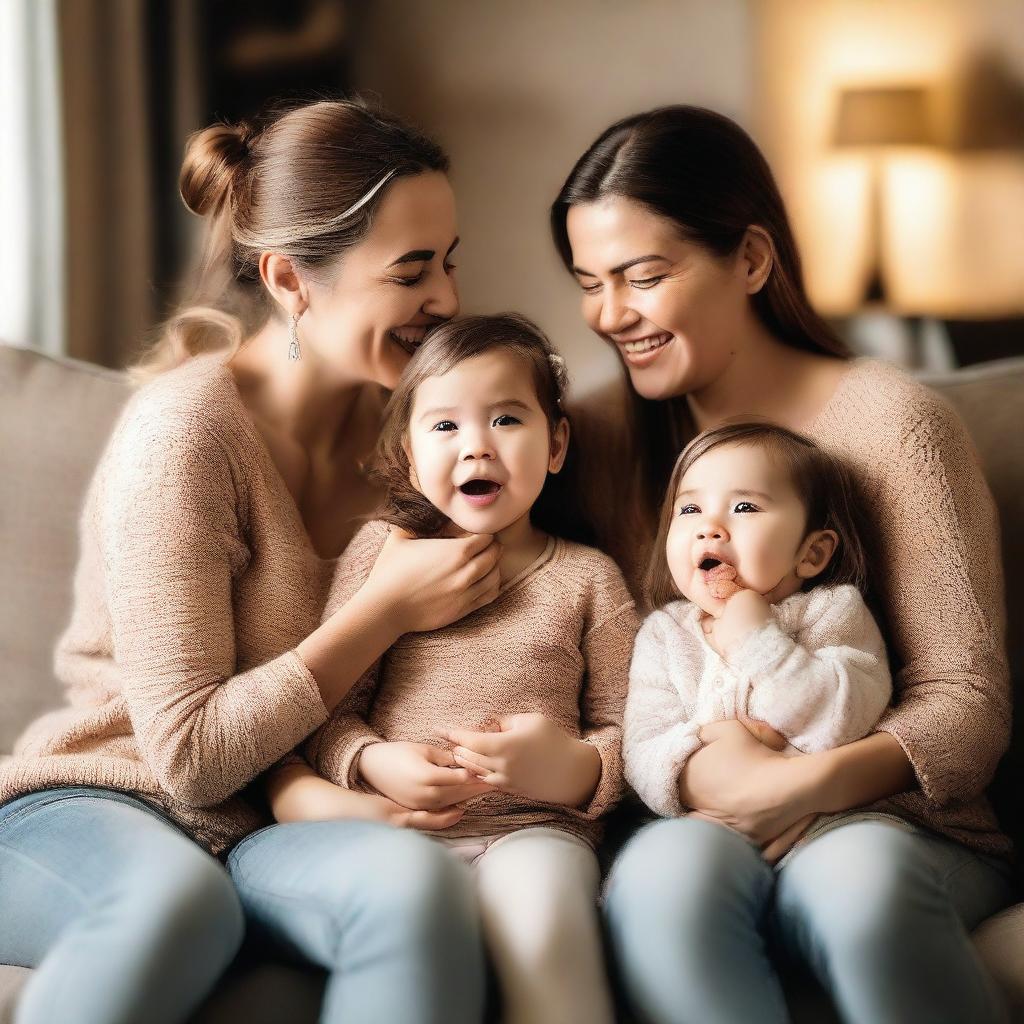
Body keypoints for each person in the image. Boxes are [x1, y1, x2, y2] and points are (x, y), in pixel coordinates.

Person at [0, 98, 495, 1024]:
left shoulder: (419, 442)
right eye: (411, 271)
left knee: (417, 890)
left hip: (271, 822)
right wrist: (379, 610)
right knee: (169, 907)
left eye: (450, 261)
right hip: (105, 799)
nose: (448, 301)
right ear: (289, 279)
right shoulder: (186, 433)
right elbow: (186, 757)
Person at [552, 104, 1014, 1023]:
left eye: (645, 277)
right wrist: (699, 779)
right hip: (693, 823)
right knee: (659, 897)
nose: (613, 315)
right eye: (590, 282)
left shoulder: (894, 427)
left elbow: (968, 708)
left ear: (752, 261)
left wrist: (798, 786)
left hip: (895, 826)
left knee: (859, 894)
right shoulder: (594, 440)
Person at [270, 313, 638, 1024]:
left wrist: (572, 768)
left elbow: (634, 731)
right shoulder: (382, 559)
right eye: (445, 427)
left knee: (547, 929)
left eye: (506, 420)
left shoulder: (588, 579)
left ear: (556, 443)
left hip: (534, 832)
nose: (477, 447)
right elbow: (323, 714)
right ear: (408, 455)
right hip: (395, 833)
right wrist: (370, 761)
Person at [625, 421, 891, 864]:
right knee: (659, 870)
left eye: (744, 507)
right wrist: (713, 741)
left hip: (824, 831)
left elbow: (842, 720)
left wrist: (756, 640)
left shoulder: (833, 612)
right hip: (707, 830)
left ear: (812, 554)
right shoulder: (665, 634)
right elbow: (643, 752)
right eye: (689, 510)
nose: (709, 528)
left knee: (864, 868)